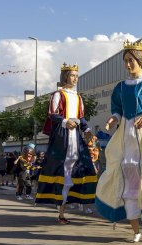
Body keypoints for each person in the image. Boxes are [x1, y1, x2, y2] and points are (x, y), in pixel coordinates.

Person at [96, 40, 142, 242]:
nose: (128, 65)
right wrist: (114, 118)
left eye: (131, 60)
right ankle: (136, 231)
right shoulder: (120, 87)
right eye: (126, 61)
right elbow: (117, 108)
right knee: (126, 176)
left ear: (140, 61)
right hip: (126, 136)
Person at [36, 62, 97, 224]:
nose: (75, 79)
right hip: (62, 135)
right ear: (65, 77)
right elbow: (52, 115)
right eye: (72, 75)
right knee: (61, 169)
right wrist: (64, 122)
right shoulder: (58, 95)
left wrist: (87, 130)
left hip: (75, 135)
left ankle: (72, 203)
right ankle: (61, 210)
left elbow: (81, 117)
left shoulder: (78, 97)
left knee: (80, 167)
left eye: (77, 76)